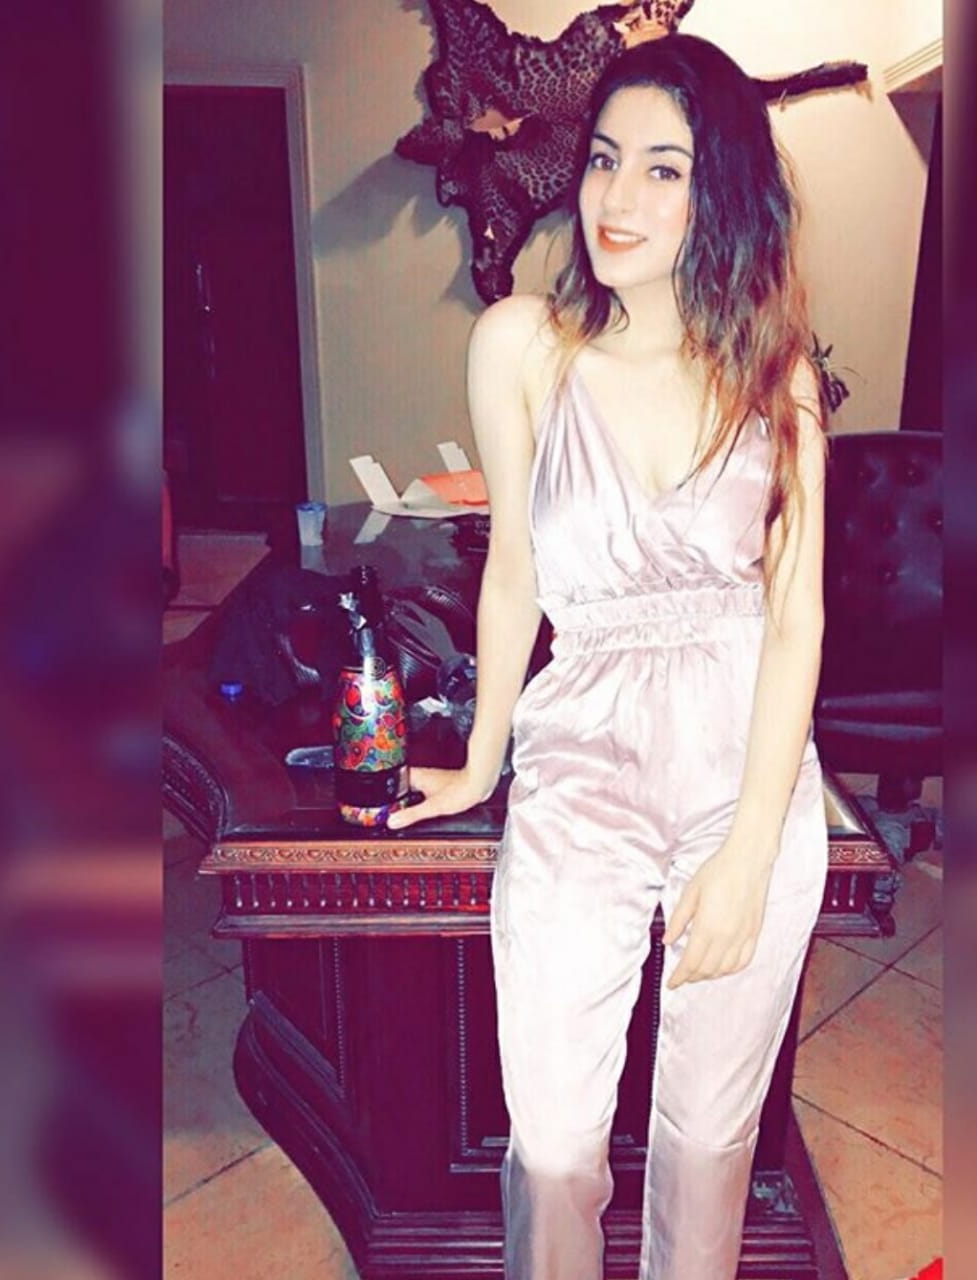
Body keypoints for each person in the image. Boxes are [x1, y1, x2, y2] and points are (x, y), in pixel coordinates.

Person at [388, 32, 828, 1280]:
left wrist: (750, 847)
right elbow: (514, 568)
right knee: (555, 1141)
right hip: (580, 758)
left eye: (662, 169)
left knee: (707, 1141)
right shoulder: (521, 343)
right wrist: (481, 759)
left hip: (743, 775)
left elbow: (793, 616)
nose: (615, 198)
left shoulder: (776, 372)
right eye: (601, 159)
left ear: (718, 191)